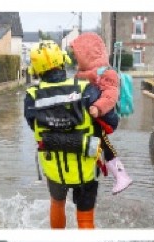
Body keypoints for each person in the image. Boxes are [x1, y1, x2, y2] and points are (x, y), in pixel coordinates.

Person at [24, 41, 120, 229]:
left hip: (54, 166)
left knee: (57, 203)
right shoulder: (86, 89)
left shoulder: (31, 96)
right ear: (62, 62)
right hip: (86, 165)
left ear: (36, 70)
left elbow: (33, 125)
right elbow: (111, 122)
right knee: (85, 216)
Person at [71, 32, 133, 194]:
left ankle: (122, 175)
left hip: (102, 117)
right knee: (93, 143)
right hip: (88, 119)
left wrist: (98, 108)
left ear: (87, 54)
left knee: (103, 142)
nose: (76, 59)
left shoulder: (106, 73)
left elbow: (111, 95)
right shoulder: (82, 74)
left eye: (78, 55)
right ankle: (92, 172)